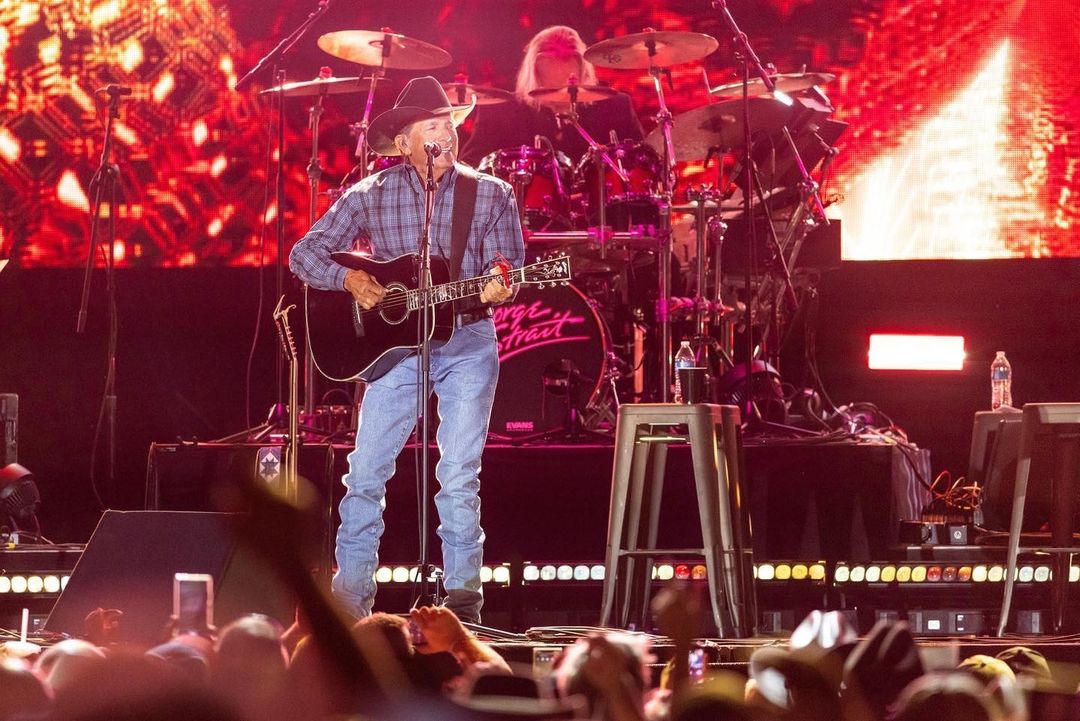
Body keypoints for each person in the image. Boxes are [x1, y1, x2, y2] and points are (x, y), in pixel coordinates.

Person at [289, 75, 525, 624]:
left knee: (459, 474)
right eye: (434, 126)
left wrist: (500, 281)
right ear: (403, 142)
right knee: (365, 474)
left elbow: (506, 266)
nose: (447, 133)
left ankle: (462, 606)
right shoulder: (370, 194)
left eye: (450, 124)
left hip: (467, 339)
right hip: (396, 352)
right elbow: (305, 253)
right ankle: (350, 608)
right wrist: (349, 280)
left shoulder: (492, 193)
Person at [460, 25, 644, 167]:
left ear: (584, 76)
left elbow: (644, 165)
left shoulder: (616, 108)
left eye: (570, 91)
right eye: (550, 91)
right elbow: (467, 169)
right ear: (534, 79)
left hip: (601, 205)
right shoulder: (499, 112)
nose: (561, 98)